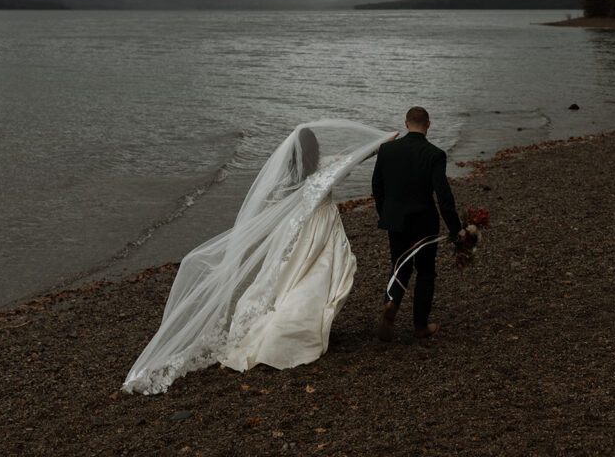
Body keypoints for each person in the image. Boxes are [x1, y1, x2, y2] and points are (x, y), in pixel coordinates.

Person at [123, 119, 393, 394]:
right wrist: (386, 138)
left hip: (296, 233)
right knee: (319, 279)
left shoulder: (287, 179)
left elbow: (270, 208)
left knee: (285, 280)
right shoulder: (327, 165)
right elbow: (360, 155)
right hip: (323, 229)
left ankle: (285, 326)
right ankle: (291, 331)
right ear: (315, 149)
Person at [371, 105, 464, 342]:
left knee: (399, 265)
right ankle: (420, 327)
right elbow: (443, 195)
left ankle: (391, 302)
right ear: (428, 125)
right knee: (425, 272)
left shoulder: (387, 150)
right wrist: (456, 230)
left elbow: (377, 187)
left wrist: (385, 213)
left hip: (395, 219)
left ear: (405, 124)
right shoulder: (434, 154)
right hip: (424, 221)